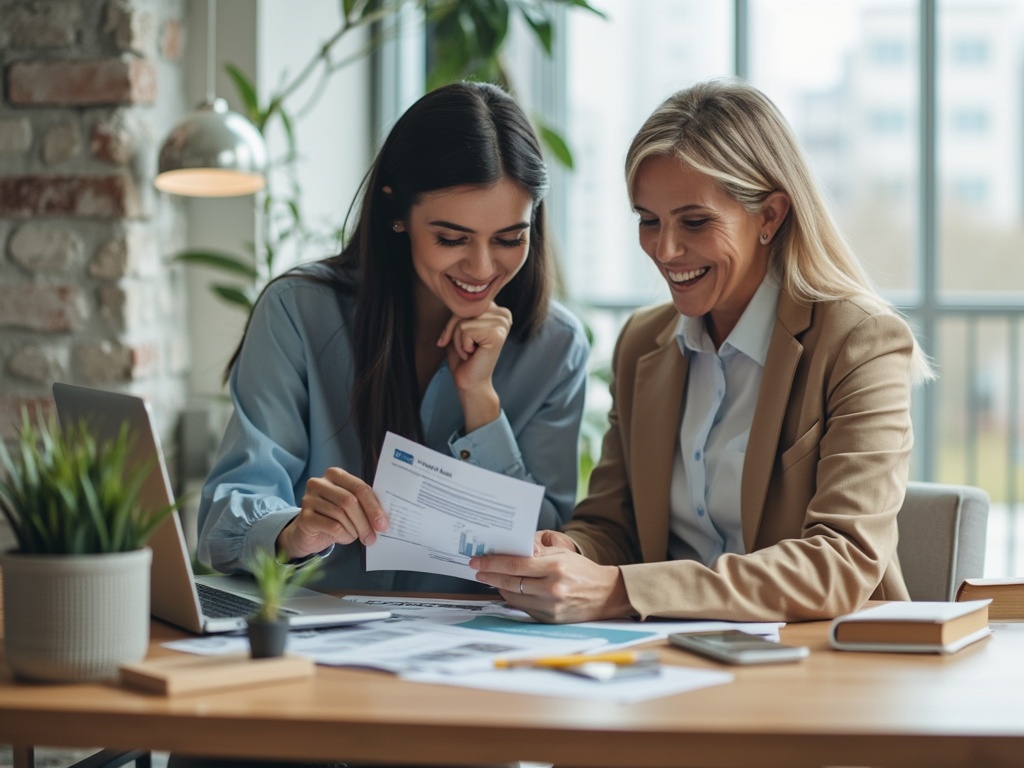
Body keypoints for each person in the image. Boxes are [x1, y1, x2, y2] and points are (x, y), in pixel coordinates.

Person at [471, 77, 933, 624]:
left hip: (818, 663)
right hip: (662, 660)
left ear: (770, 216)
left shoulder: (860, 342)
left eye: (694, 222)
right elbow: (611, 526)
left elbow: (841, 562)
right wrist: (567, 555)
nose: (665, 250)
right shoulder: (643, 343)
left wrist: (621, 590)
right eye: (648, 221)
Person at [195, 81, 589, 597]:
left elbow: (544, 548)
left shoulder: (555, 347)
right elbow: (224, 522)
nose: (482, 267)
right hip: (317, 639)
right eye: (451, 238)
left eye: (510, 239)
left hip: (476, 650)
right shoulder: (299, 312)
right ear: (395, 213)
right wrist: (294, 531)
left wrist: (481, 404)